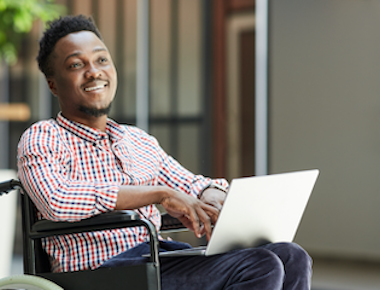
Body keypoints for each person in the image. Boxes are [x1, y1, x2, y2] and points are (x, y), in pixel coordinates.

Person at [17, 14, 312, 290]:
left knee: (291, 256)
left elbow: (189, 183)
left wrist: (210, 193)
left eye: (101, 60)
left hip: (159, 257)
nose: (94, 72)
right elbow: (58, 200)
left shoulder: (136, 140)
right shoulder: (43, 137)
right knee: (259, 266)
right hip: (100, 271)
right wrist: (158, 194)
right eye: (76, 65)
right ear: (53, 84)